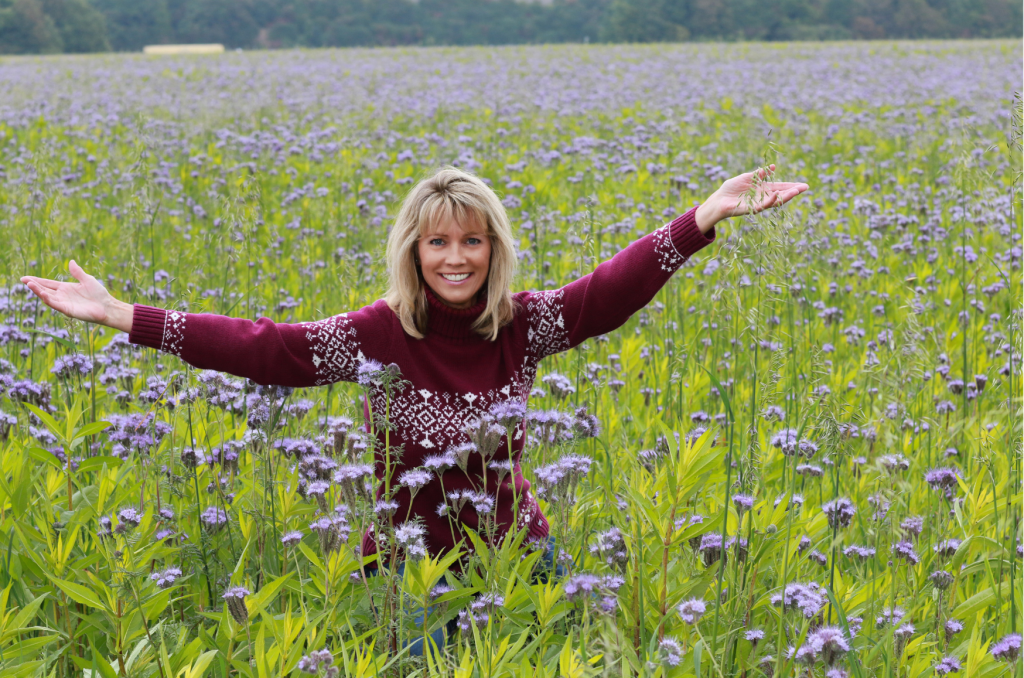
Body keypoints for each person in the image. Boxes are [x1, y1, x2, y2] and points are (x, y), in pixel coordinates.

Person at [20, 163, 807, 656]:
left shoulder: (523, 327)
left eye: (472, 241)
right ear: (413, 252)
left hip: (518, 561)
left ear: (494, 250)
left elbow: (608, 293)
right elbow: (266, 348)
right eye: (437, 243)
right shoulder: (377, 335)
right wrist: (125, 317)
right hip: (408, 576)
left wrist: (701, 220)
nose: (456, 258)